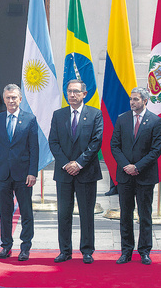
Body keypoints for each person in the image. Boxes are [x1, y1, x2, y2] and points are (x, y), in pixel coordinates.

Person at [48, 79, 103, 264]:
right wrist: (66, 164)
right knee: (64, 213)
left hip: (86, 172)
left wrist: (78, 164)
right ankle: (65, 251)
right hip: (64, 173)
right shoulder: (58, 115)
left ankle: (87, 250)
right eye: (69, 91)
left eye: (76, 92)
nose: (72, 95)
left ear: (84, 94)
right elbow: (53, 142)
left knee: (86, 213)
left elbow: (96, 143)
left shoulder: (95, 114)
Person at [111, 87, 161, 265]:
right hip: (125, 176)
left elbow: (156, 150)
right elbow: (115, 145)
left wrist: (137, 167)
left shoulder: (155, 121)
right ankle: (126, 251)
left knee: (144, 214)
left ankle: (144, 251)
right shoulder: (122, 119)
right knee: (126, 214)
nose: (132, 102)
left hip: (144, 176)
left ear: (145, 101)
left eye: (136, 99)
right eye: (131, 99)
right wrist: (126, 165)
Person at [0, 84, 39, 261]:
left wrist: (33, 172)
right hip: (2, 173)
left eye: (14, 97)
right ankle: (6, 246)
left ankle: (25, 247)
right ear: (4, 99)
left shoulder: (30, 119)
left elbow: (34, 148)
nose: (11, 101)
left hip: (23, 174)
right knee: (4, 212)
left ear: (20, 99)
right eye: (8, 97)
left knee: (26, 211)